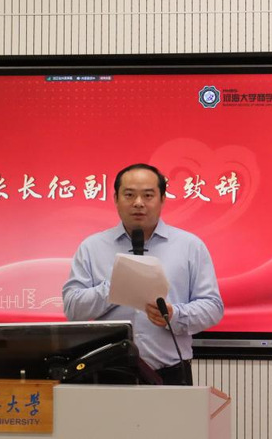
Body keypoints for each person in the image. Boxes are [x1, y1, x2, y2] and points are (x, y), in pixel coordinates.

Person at [62, 163, 224, 385]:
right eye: (129, 195)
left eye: (148, 195)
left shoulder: (190, 246)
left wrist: (174, 315)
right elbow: (73, 308)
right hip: (106, 374)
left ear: (162, 199)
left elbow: (213, 307)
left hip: (170, 374)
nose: (138, 203)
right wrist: (115, 286)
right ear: (116, 199)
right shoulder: (92, 247)